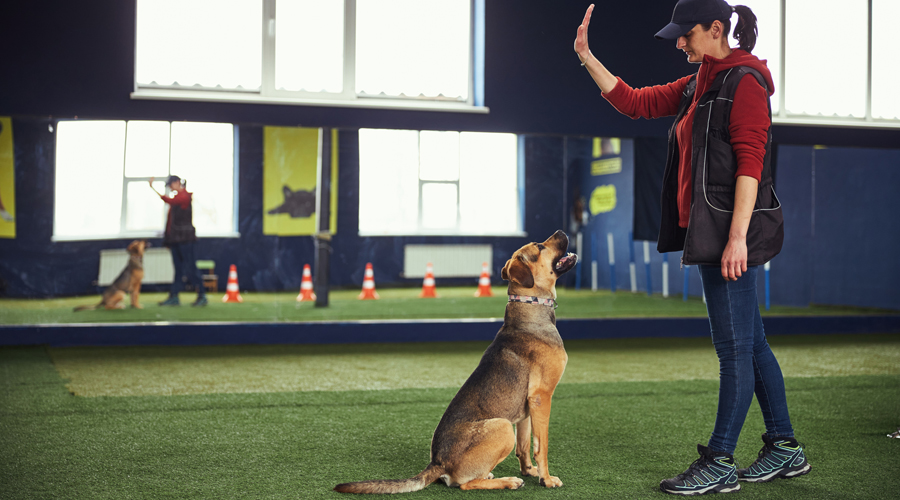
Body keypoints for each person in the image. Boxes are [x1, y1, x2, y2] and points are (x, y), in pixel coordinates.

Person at [574, 0, 809, 495]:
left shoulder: (744, 82)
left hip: (729, 236)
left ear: (717, 29)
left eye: (686, 34)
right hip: (708, 232)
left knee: (734, 351)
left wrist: (737, 238)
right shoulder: (700, 83)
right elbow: (636, 102)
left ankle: (721, 460)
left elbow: (751, 162)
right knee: (753, 345)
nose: (679, 42)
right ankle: (786, 448)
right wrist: (586, 57)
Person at [150, 175, 207, 307]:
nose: (170, 187)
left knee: (191, 268)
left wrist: (152, 188)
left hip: (186, 240)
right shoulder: (178, 198)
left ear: (177, 182)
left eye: (171, 184)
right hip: (175, 240)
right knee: (178, 269)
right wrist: (168, 240)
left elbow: (169, 201)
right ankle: (174, 297)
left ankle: (202, 296)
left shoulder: (185, 197)